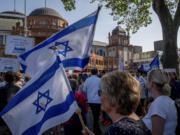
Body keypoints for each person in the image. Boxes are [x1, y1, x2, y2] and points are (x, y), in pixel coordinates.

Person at [83, 71, 151, 135]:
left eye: (100, 92)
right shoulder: (135, 124)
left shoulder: (119, 130)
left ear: (112, 98)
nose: (99, 96)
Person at [143, 69, 177, 135]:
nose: (146, 82)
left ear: (152, 83)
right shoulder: (164, 100)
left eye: (148, 80)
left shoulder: (159, 103)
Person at [83, 68, 101, 135]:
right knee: (96, 116)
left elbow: (84, 90)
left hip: (90, 100)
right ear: (97, 73)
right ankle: (96, 130)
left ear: (91, 72)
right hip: (97, 100)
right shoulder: (99, 80)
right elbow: (101, 89)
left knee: (94, 115)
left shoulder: (87, 80)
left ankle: (97, 129)